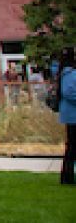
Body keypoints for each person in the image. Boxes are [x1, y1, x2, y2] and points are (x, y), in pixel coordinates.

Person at [53, 48, 76, 185]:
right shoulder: (69, 73)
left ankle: (67, 177)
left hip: (71, 115)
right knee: (72, 147)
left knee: (72, 147)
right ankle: (67, 177)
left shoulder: (66, 73)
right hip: (73, 115)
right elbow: (68, 92)